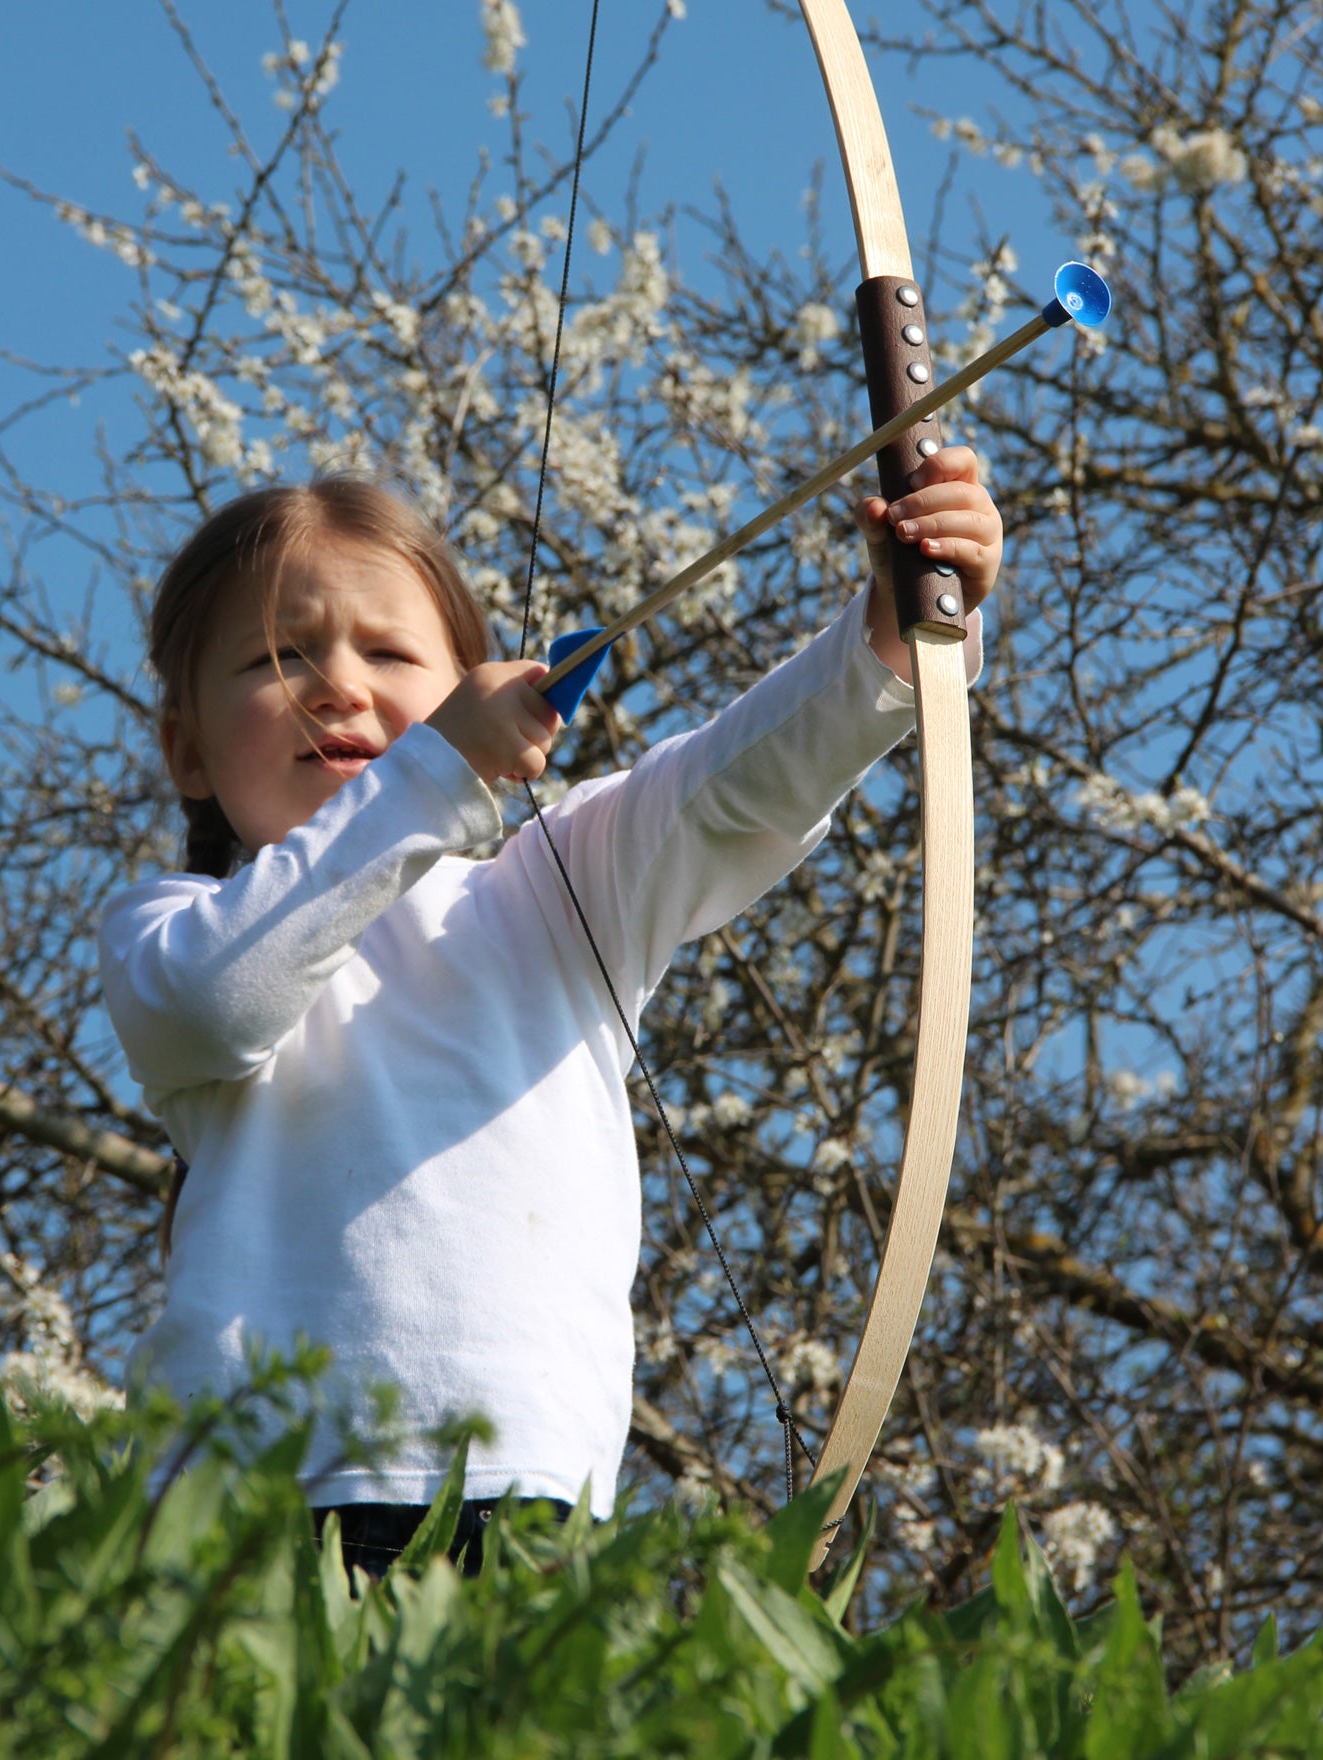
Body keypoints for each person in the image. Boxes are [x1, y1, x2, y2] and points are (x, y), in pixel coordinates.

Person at [100, 459, 1001, 1577]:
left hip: (525, 1493)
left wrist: (894, 626)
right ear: (185, 746)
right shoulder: (176, 925)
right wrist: (432, 770)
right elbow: (214, 999)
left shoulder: (553, 880)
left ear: (477, 686)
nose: (336, 683)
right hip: (241, 1502)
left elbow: (738, 782)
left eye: (386, 653)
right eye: (277, 657)